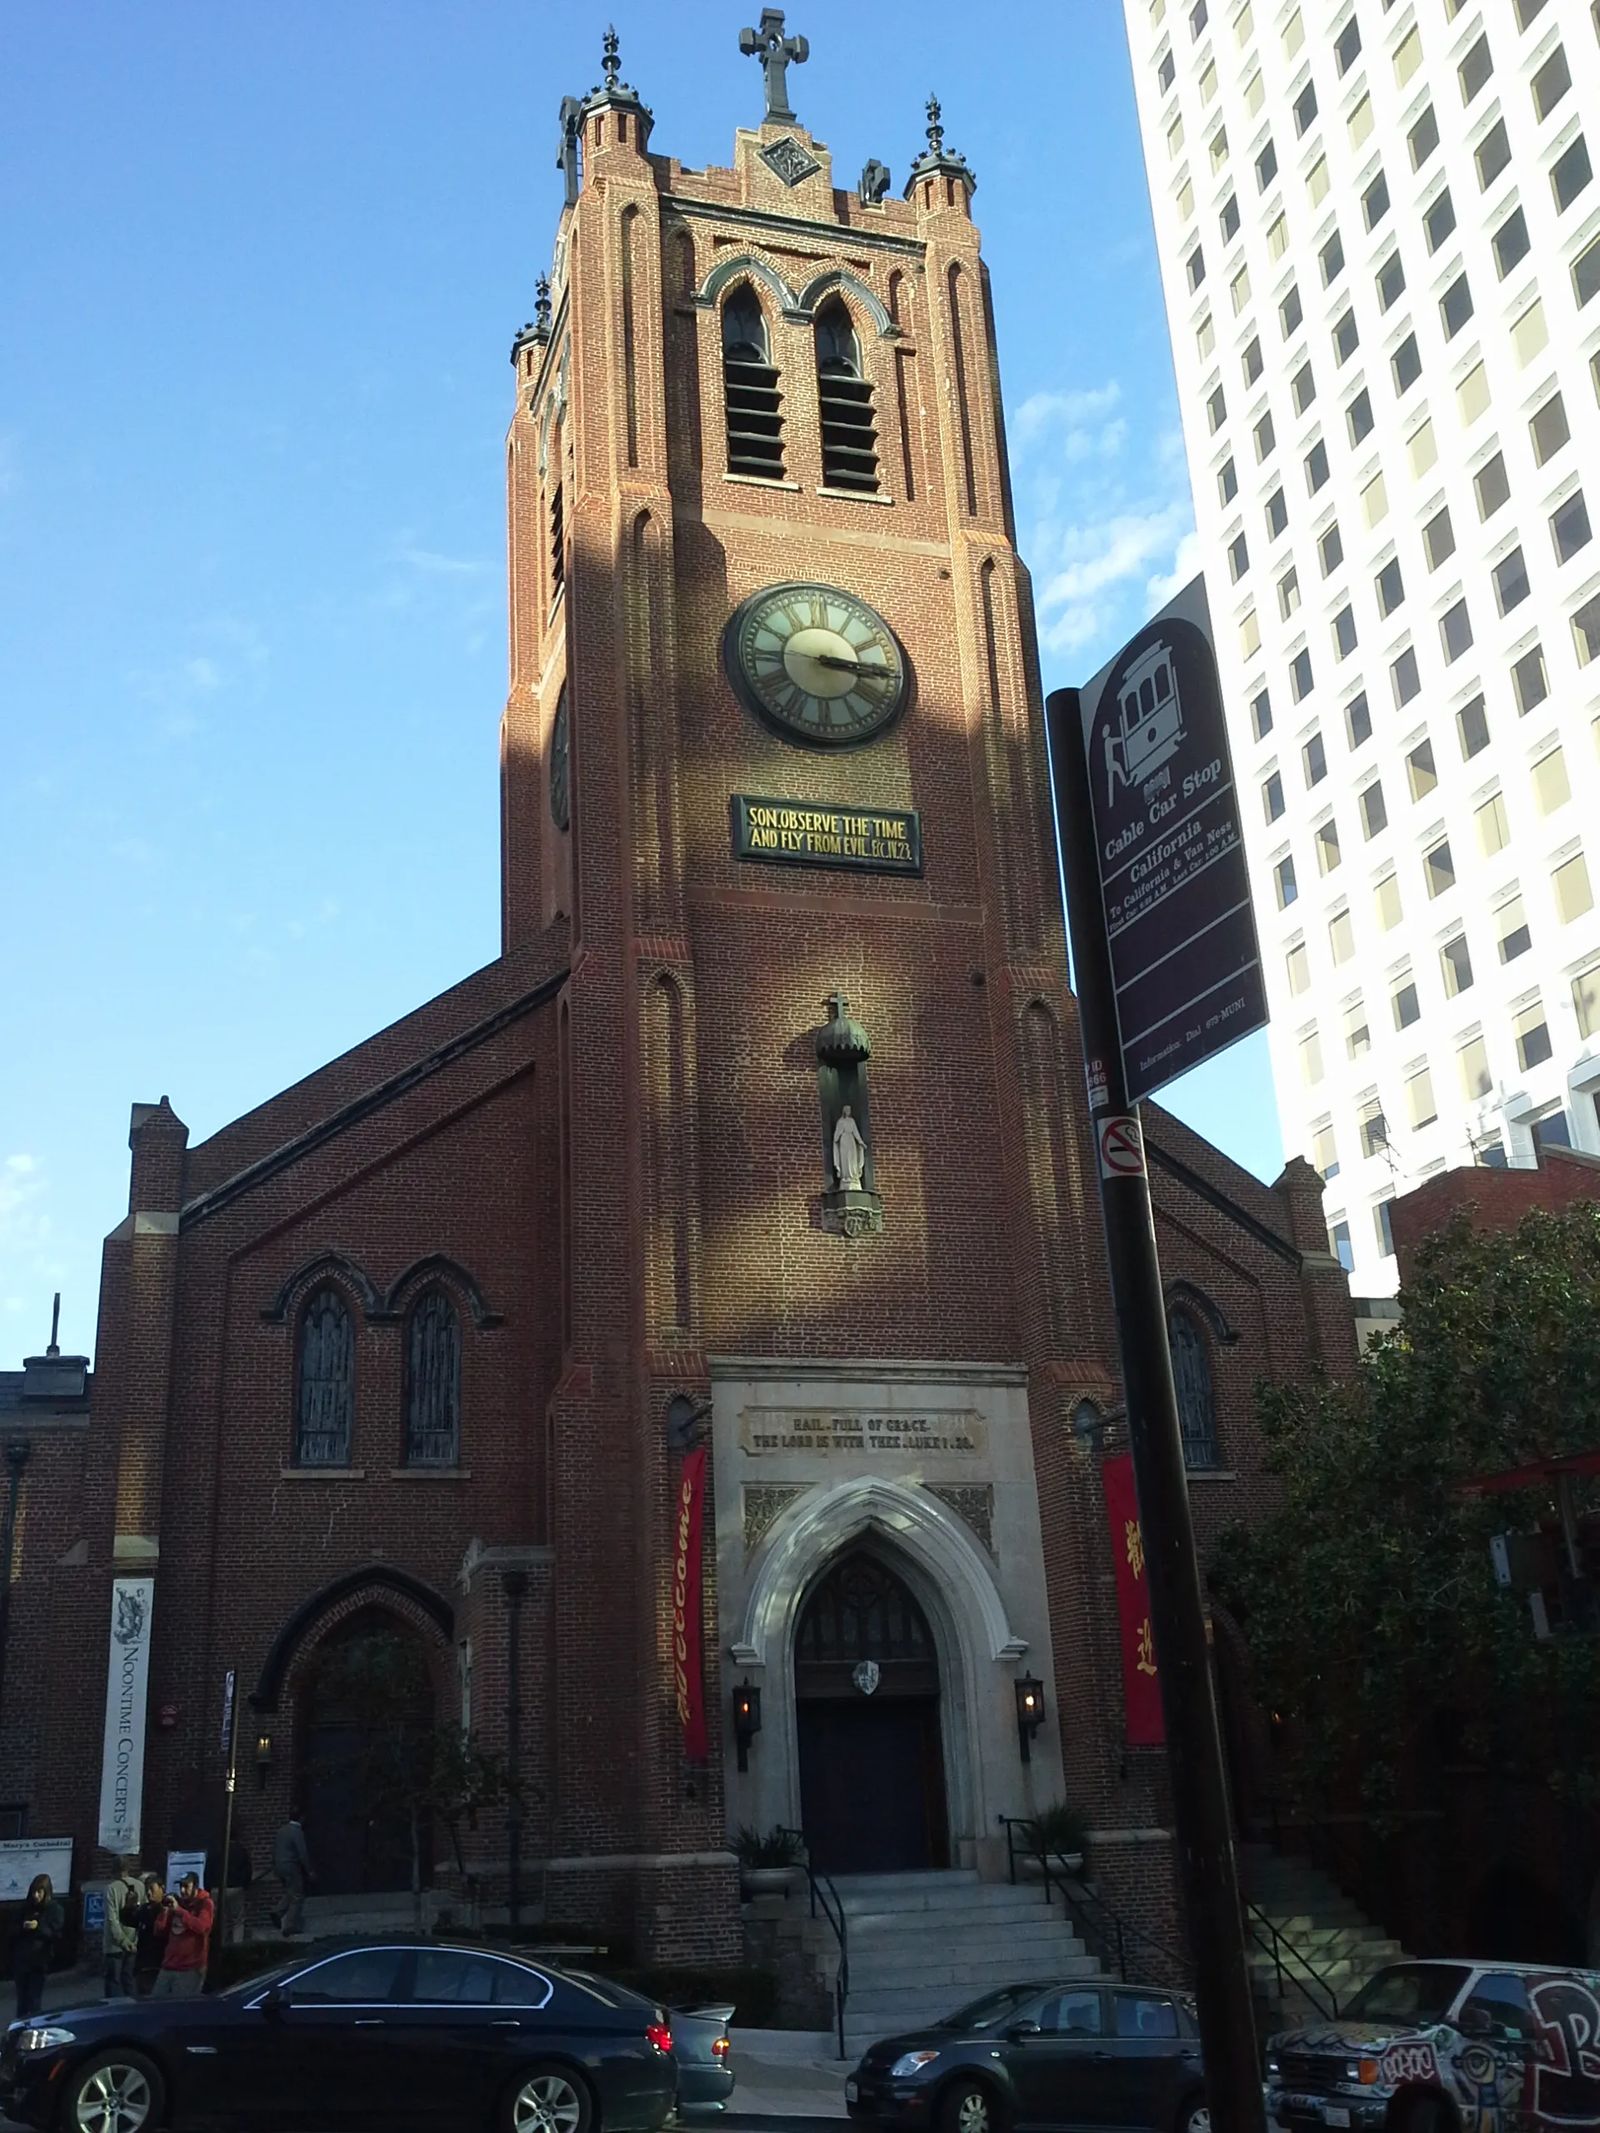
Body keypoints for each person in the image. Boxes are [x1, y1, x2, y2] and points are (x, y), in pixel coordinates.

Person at [10, 1874, 63, 2021]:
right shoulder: (25, 1908)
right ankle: (19, 2030)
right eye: (34, 1891)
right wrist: (23, 1927)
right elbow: (12, 1930)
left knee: (34, 2000)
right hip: (22, 1961)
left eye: (40, 1892)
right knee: (22, 2001)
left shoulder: (54, 1909)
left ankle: (34, 2028)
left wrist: (38, 1927)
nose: (36, 1895)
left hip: (39, 1962)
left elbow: (56, 1934)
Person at [152, 1871, 214, 1997]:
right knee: (155, 2004)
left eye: (186, 1886)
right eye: (181, 1886)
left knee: (180, 2007)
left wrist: (180, 1911)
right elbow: (159, 1931)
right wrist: (164, 1912)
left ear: (195, 1887)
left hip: (189, 1968)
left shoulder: (205, 1903)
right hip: (169, 1965)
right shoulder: (177, 1903)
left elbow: (202, 1926)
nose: (182, 1890)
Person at [102, 1855, 144, 1998]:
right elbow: (142, 1916)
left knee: (113, 1981)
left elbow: (111, 1919)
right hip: (134, 1941)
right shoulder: (140, 1886)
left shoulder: (111, 1889)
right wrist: (134, 1941)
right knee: (129, 1980)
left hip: (114, 1945)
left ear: (113, 1869)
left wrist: (122, 1941)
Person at [271, 1808, 314, 1938]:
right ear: (301, 1818)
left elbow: (274, 1850)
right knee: (297, 1895)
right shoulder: (297, 1832)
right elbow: (302, 1853)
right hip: (291, 1865)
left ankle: (278, 1912)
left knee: (290, 1891)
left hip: (279, 1865)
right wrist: (310, 1870)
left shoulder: (281, 1831)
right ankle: (290, 1925)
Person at [132, 1876, 166, 1996]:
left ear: (162, 1889)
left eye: (152, 1889)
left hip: (157, 1963)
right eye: (147, 1889)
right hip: (142, 1963)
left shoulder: (165, 1910)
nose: (149, 1893)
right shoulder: (144, 1909)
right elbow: (131, 1920)